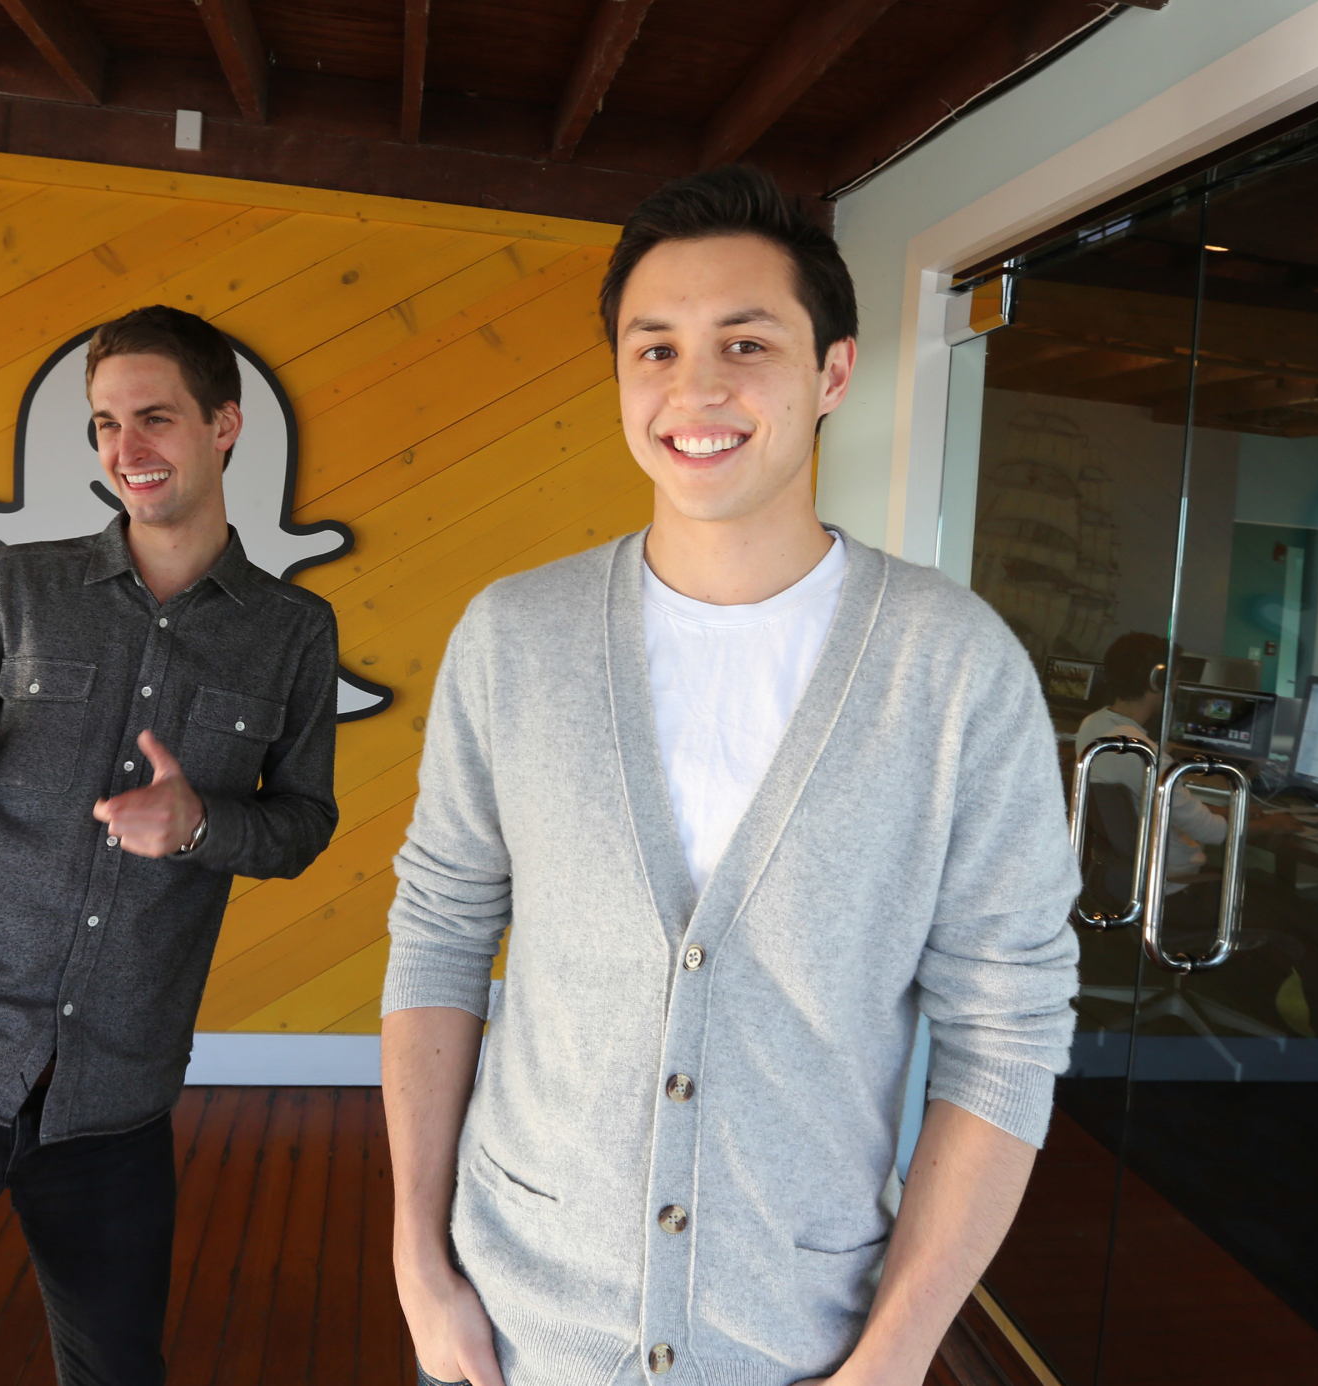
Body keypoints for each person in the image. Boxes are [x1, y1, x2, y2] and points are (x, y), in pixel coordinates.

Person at [380, 166, 1082, 1386]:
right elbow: (439, 934)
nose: (694, 389)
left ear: (833, 374)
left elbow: (1006, 1033)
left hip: (802, 1341)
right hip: (514, 1331)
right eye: (652, 349)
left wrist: (895, 1353)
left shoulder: (953, 669)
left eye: (744, 342)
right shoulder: (513, 638)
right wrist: (415, 1257)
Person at [0, 305, 340, 1386]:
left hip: (112, 1091)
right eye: (102, 426)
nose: (124, 452)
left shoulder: (292, 632)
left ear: (223, 426)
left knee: (117, 1370)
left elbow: (302, 825)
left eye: (153, 419)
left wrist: (200, 826)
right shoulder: (21, 585)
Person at [1074, 632, 1297, 884]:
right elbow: (1211, 832)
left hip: (1124, 882)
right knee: (1279, 894)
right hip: (1173, 888)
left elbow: (1152, 804)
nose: (1176, 688)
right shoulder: (1143, 753)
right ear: (1157, 680)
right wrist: (1273, 824)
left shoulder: (1092, 727)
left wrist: (1224, 810)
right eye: (1175, 680)